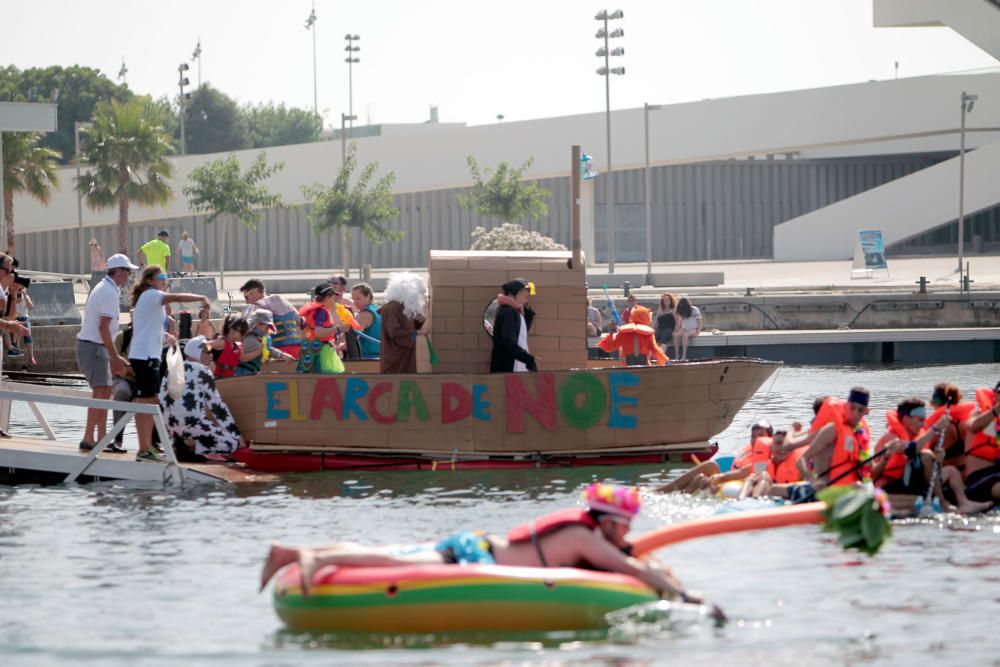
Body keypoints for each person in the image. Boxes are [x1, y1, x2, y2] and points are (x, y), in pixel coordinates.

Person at [259, 483, 708, 608]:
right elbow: (632, 570)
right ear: (609, 523)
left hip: (477, 545)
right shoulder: (583, 537)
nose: (627, 535)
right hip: (479, 558)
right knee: (394, 558)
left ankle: (292, 552)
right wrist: (684, 596)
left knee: (393, 552)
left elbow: (632, 560)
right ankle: (314, 556)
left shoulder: (585, 534)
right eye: (624, 527)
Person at [129, 265, 210, 462]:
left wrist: (165, 336)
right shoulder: (151, 294)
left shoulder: (149, 298)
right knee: (147, 401)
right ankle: (144, 448)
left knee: (150, 400)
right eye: (162, 277)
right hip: (145, 357)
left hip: (148, 354)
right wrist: (201, 298)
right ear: (150, 280)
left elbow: (147, 326)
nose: (165, 280)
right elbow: (175, 297)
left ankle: (147, 447)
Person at [871, 398, 990, 514]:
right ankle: (943, 504)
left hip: (907, 482)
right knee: (926, 455)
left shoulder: (916, 437)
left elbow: (921, 462)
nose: (923, 424)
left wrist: (938, 461)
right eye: (920, 420)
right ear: (906, 419)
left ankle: (964, 503)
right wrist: (936, 428)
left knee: (951, 471)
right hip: (890, 487)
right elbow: (913, 449)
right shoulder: (892, 438)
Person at [75, 253, 135, 452]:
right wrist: (115, 357)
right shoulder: (109, 292)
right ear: (117, 271)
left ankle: (99, 438)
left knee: (105, 391)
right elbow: (103, 328)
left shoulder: (105, 288)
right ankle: (89, 438)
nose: (129, 275)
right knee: (101, 392)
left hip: (94, 345)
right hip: (94, 346)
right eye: (127, 271)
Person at [159, 336, 243, 461]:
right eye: (207, 351)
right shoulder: (202, 370)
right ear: (196, 352)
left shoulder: (170, 370)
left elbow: (162, 399)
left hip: (172, 429)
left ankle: (184, 444)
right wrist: (236, 434)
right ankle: (191, 445)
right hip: (193, 426)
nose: (210, 355)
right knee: (232, 443)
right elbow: (217, 406)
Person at [657, 420, 775, 494]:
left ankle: (661, 491)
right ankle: (673, 497)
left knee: (710, 466)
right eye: (753, 436)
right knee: (700, 477)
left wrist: (718, 478)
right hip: (729, 484)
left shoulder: (767, 457)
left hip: (740, 488)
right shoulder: (750, 451)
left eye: (760, 435)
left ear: (770, 439)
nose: (755, 439)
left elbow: (744, 473)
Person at [239, 279, 303, 359]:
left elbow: (246, 330)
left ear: (254, 291)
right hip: (296, 350)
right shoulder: (283, 300)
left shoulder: (260, 305)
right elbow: (302, 322)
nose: (247, 302)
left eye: (246, 297)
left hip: (278, 353)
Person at [379, 271, 428, 374]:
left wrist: (418, 322)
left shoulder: (404, 308)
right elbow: (395, 333)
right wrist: (417, 332)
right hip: (395, 357)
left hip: (406, 355)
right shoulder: (391, 309)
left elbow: (408, 329)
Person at [961, 382, 1000, 504]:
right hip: (979, 479)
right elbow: (973, 426)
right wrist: (997, 409)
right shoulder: (977, 414)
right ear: (995, 395)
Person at [490, 278, 537, 373]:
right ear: (513, 293)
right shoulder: (509, 312)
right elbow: (509, 341)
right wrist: (529, 359)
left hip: (514, 367)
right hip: (510, 368)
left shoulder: (514, 312)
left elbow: (519, 335)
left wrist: (527, 314)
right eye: (523, 291)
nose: (527, 295)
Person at [597, 305, 667, 367]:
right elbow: (655, 350)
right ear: (645, 318)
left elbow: (610, 347)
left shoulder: (623, 332)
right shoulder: (648, 333)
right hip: (644, 367)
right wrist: (665, 361)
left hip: (627, 368)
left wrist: (611, 332)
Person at [297, 284, 343, 374]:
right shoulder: (321, 311)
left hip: (310, 347)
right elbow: (318, 332)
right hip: (321, 349)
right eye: (333, 298)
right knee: (324, 376)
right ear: (327, 297)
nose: (334, 302)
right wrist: (339, 329)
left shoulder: (313, 309)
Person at [237, 309, 294, 376]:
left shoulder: (258, 338)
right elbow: (267, 350)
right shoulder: (250, 339)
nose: (268, 329)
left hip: (250, 373)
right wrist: (282, 355)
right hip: (242, 375)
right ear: (258, 324)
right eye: (267, 326)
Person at [209, 315, 249, 379]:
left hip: (229, 379)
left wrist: (259, 351)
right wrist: (210, 360)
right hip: (217, 380)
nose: (243, 335)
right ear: (232, 330)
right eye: (241, 332)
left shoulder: (236, 346)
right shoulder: (222, 342)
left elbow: (244, 358)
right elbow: (204, 346)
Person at [351, 283, 381, 359]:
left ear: (368, 296)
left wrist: (338, 346)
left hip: (368, 357)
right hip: (381, 355)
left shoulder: (364, 314)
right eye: (353, 299)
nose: (355, 302)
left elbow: (353, 338)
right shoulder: (377, 309)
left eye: (358, 299)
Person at [11, 280, 35, 366]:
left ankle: (31, 357)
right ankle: (16, 349)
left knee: (28, 334)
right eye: (19, 289)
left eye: (22, 289)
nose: (20, 290)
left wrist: (24, 296)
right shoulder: (13, 297)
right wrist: (16, 299)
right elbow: (11, 306)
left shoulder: (26, 297)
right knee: (18, 330)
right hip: (16, 318)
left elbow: (31, 307)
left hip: (25, 318)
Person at [655, 293, 678, 358]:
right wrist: (654, 329)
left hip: (669, 328)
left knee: (663, 340)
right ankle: (651, 358)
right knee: (654, 340)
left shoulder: (673, 310)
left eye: (668, 299)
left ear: (671, 300)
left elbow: (677, 322)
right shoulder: (660, 309)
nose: (666, 301)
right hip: (660, 328)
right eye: (664, 300)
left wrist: (675, 331)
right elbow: (656, 322)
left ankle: (661, 357)